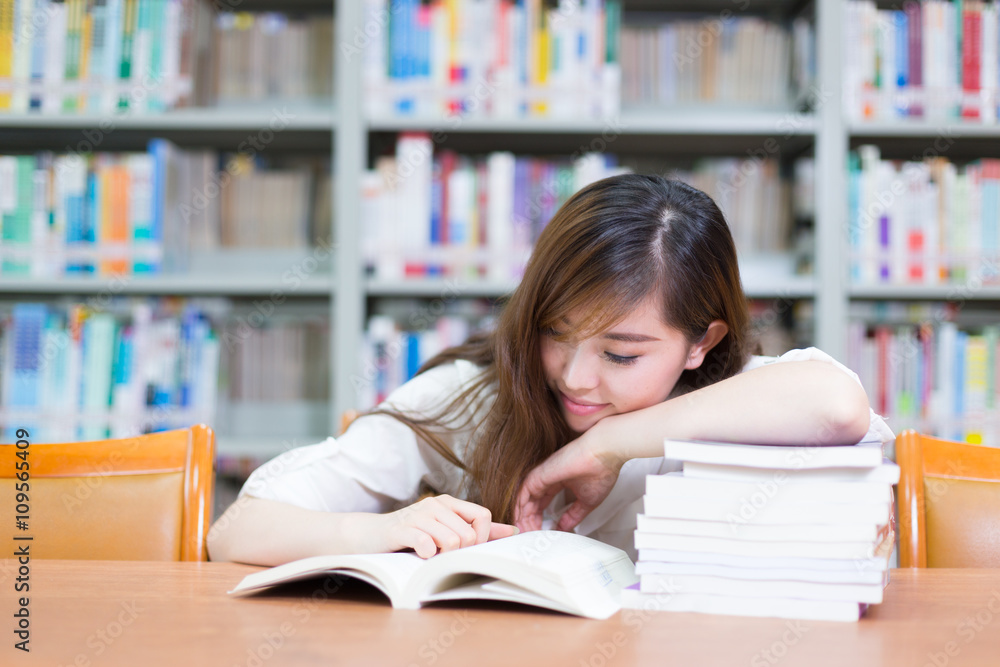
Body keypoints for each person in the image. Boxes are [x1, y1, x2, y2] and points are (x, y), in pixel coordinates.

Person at [207, 174, 893, 566]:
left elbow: (836, 406)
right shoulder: (477, 398)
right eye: (554, 333)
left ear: (700, 342)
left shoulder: (745, 399)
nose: (574, 376)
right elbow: (238, 528)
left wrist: (607, 443)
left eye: (621, 353)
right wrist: (381, 531)